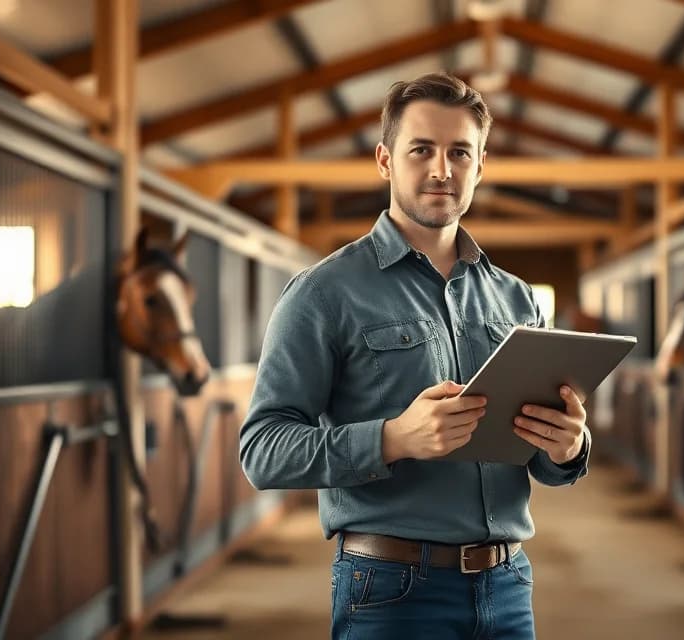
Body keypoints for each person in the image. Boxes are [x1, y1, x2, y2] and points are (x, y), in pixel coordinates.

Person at [239, 72, 591, 639]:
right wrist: (393, 439)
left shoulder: (518, 297)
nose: (441, 170)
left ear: (481, 165)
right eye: (421, 150)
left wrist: (569, 446)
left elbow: (544, 462)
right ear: (384, 160)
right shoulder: (324, 293)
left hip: (508, 587)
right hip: (391, 592)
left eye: (460, 153)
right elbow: (262, 450)